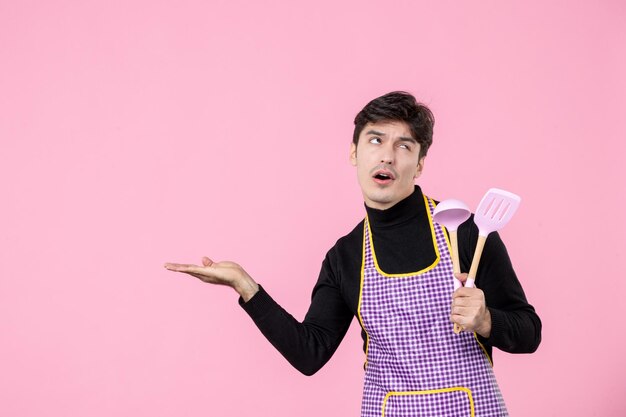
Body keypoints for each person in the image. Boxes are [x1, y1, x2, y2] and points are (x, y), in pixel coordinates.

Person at [164, 91, 541, 416]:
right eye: (375, 141)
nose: (388, 157)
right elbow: (310, 354)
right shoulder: (344, 257)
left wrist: (488, 320)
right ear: (353, 153)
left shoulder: (466, 231)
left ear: (420, 163)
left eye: (404, 145)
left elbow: (530, 333)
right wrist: (246, 287)